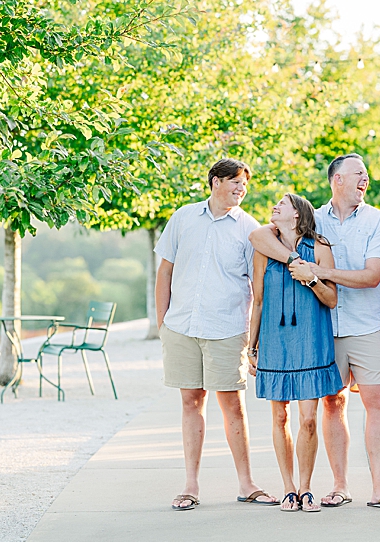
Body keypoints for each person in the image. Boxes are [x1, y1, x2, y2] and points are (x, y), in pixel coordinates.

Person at [250, 154, 380, 511]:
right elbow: (260, 235)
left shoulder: (378, 221)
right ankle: (339, 486)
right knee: (332, 404)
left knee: (378, 404)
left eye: (366, 174)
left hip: (365, 326)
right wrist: (295, 263)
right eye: (359, 174)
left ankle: (379, 488)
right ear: (337, 180)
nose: (366, 179)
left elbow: (371, 277)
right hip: (319, 331)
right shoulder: (313, 218)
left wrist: (318, 272)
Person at [154, 158, 277, 511]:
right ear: (215, 182)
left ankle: (247, 483)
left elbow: (258, 289)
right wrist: (163, 324)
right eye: (235, 182)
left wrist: (254, 341)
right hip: (181, 328)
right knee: (191, 402)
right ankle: (190, 485)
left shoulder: (249, 229)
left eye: (244, 184)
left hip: (226, 330)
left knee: (232, 405)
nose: (241, 189)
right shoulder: (183, 218)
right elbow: (165, 272)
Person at [247, 193, 343, 512]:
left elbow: (331, 299)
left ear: (297, 215)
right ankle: (288, 488)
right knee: (279, 415)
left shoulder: (319, 247)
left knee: (309, 419)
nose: (275, 206)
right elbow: (258, 301)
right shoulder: (265, 247)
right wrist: (252, 345)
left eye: (282, 203)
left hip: (311, 341)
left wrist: (312, 278)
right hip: (274, 342)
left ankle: (306, 487)